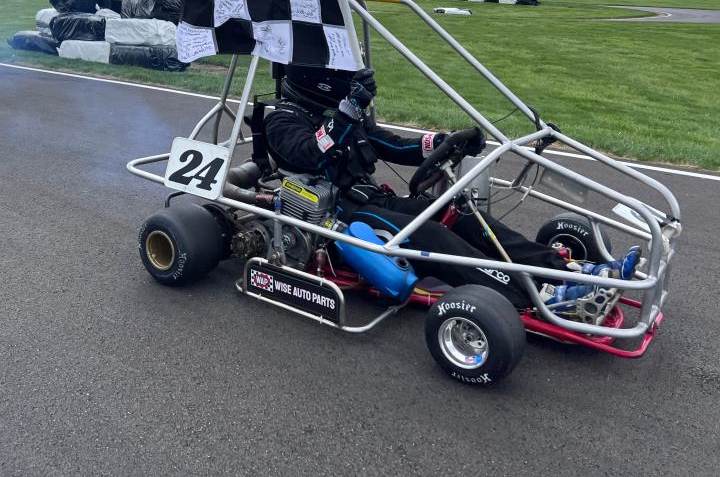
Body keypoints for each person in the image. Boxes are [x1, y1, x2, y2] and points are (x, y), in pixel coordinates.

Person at [263, 66, 639, 314]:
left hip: (372, 201)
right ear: (318, 79)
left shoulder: (339, 118)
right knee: (427, 233)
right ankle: (535, 299)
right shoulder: (282, 118)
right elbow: (311, 155)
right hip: (335, 221)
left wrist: (447, 142)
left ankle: (567, 271)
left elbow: (394, 146)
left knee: (457, 215)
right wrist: (348, 110)